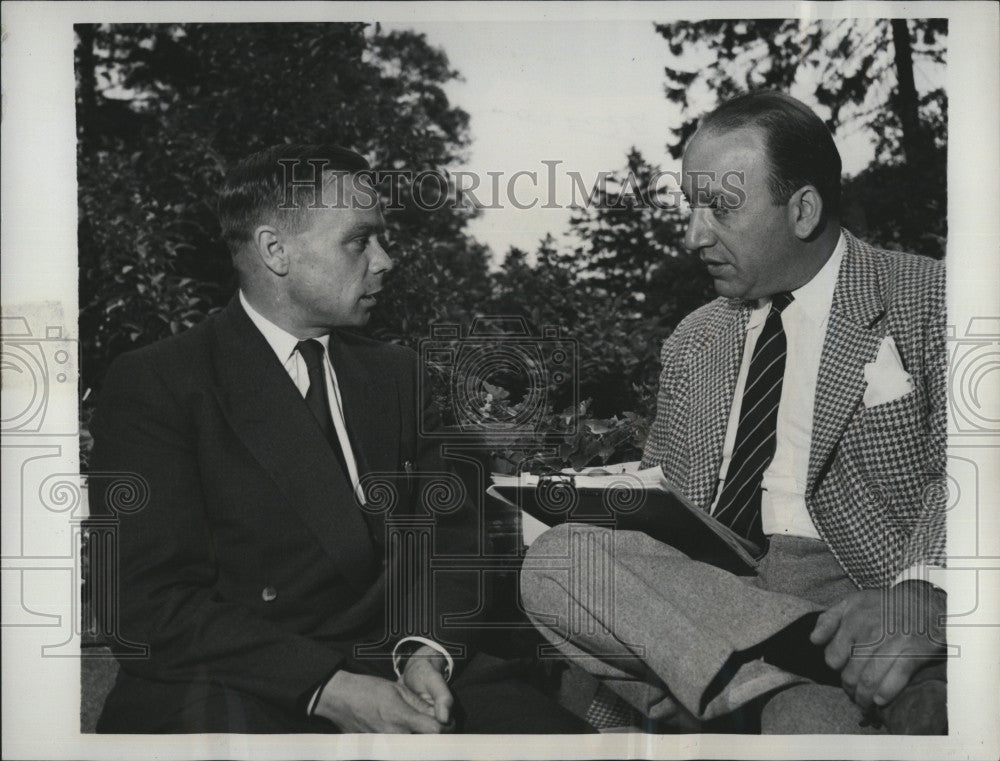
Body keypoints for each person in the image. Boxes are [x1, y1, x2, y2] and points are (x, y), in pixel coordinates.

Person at [89, 144, 592, 734]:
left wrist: (427, 648)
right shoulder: (162, 382)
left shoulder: (397, 373)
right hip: (242, 679)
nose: (385, 260)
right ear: (276, 251)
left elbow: (457, 530)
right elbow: (148, 602)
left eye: (382, 238)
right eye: (359, 241)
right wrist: (328, 688)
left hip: (403, 663)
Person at [521, 91, 947, 734]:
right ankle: (790, 665)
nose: (694, 235)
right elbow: (666, 492)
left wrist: (922, 594)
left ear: (802, 209)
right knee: (557, 561)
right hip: (715, 595)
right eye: (690, 207)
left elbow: (981, 468)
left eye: (719, 208)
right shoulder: (696, 338)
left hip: (861, 595)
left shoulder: (931, 297)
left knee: (804, 726)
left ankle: (735, 679)